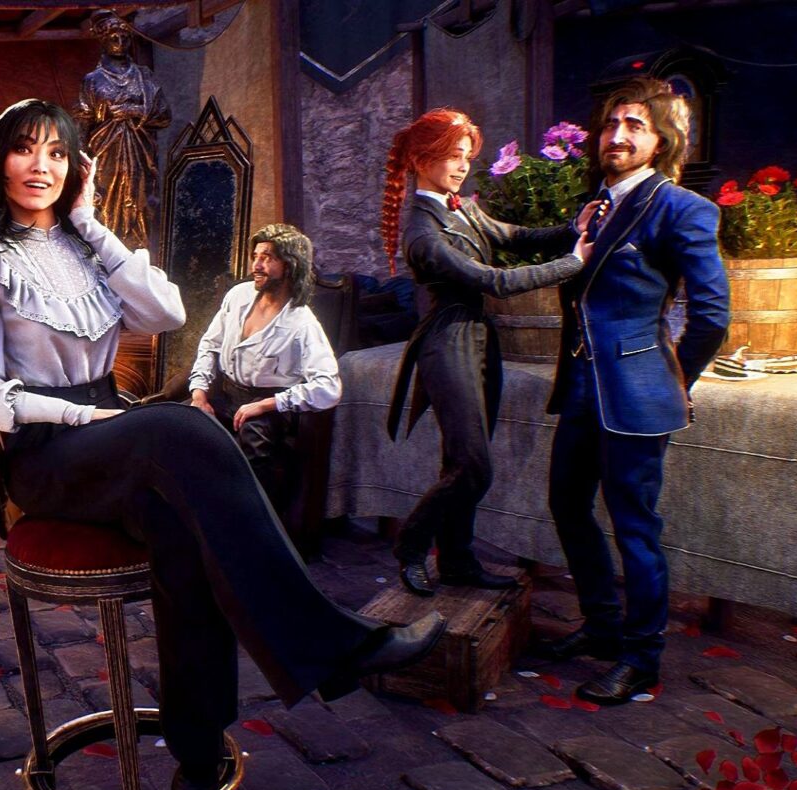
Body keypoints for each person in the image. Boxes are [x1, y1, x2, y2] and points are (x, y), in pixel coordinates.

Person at [0, 99, 444, 790]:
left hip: (112, 435)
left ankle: (198, 754)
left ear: (76, 168)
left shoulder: (88, 249)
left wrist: (91, 223)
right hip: (45, 455)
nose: (41, 166)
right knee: (180, 425)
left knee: (185, 538)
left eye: (57, 153)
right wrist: (73, 412)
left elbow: (167, 314)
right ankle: (337, 646)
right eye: (25, 149)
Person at [536, 78, 729, 704]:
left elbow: (712, 316)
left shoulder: (682, 209)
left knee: (634, 527)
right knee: (567, 504)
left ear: (661, 141)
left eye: (634, 126)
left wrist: (668, 378)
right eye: (610, 124)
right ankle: (601, 627)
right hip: (582, 385)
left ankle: (641, 658)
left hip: (636, 395)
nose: (615, 136)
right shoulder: (596, 204)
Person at [381, 108, 601, 597]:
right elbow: (494, 282)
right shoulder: (422, 232)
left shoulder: (460, 206)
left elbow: (514, 237)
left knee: (460, 459)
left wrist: (573, 226)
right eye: (452, 156)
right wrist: (571, 264)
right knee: (473, 465)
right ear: (421, 160)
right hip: (446, 341)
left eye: (466, 156)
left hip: (478, 339)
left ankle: (457, 561)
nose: (462, 166)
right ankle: (411, 544)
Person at [188, 223, 339, 518]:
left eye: (267, 258)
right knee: (178, 424)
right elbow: (209, 344)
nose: (256, 265)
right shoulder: (238, 296)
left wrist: (268, 404)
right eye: (255, 256)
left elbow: (329, 387)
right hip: (226, 395)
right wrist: (199, 394)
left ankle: (254, 527)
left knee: (253, 444)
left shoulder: (301, 322)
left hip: (269, 406)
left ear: (290, 265)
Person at [74, 10, 171, 250]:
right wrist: (79, 158)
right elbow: (83, 120)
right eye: (113, 38)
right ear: (103, 40)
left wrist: (135, 111)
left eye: (124, 37)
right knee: (105, 202)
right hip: (106, 152)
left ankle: (139, 254)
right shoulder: (93, 80)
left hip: (141, 154)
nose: (119, 42)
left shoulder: (144, 76)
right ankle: (106, 253)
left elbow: (164, 115)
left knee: (141, 203)